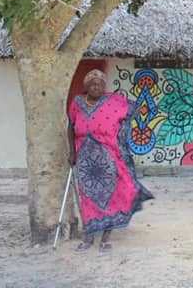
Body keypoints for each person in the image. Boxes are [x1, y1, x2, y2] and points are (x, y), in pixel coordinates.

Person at [68, 69, 153, 253]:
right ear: (86, 87)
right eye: (92, 84)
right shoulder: (77, 102)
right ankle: (88, 237)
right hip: (85, 160)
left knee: (110, 196)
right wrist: (71, 152)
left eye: (99, 84)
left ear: (104, 87)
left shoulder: (113, 101)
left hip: (109, 156)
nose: (96, 87)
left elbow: (135, 109)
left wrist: (121, 135)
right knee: (87, 198)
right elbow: (71, 126)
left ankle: (106, 238)